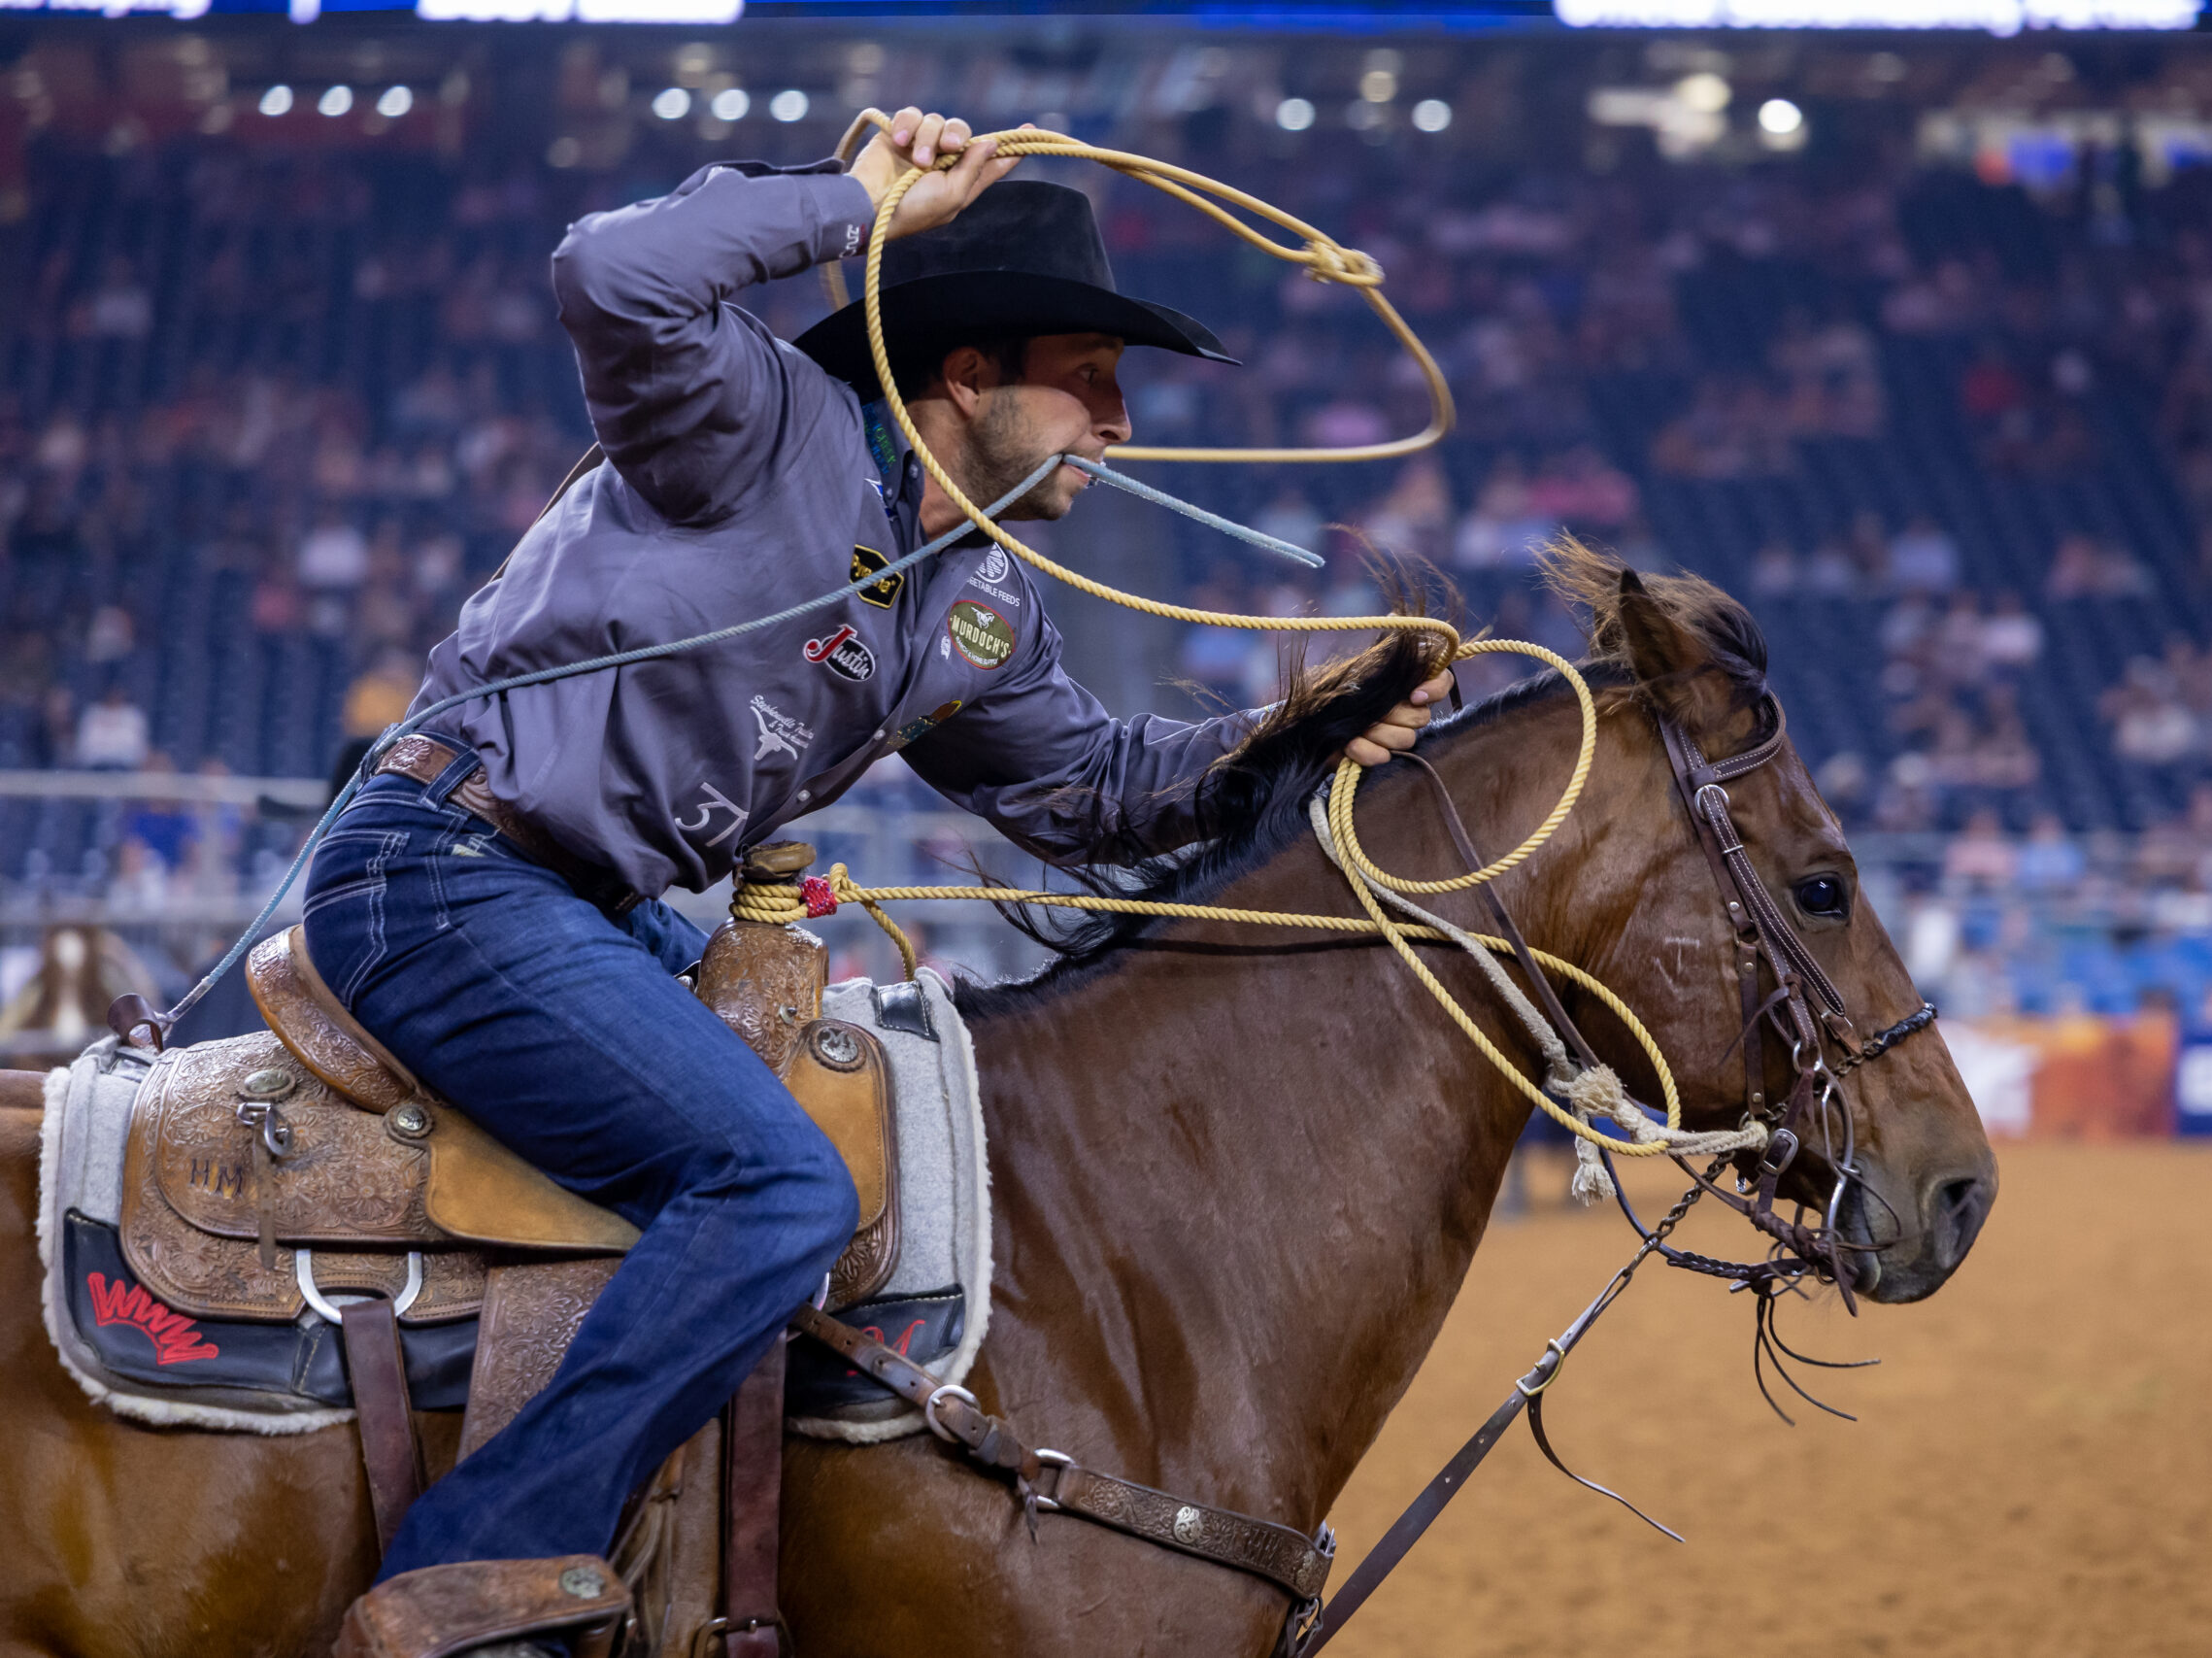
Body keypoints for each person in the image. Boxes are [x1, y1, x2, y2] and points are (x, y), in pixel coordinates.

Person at [306, 110, 1449, 1648]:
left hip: (582, 912)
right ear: (967, 375)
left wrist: (1308, 731)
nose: (1120, 427)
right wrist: (853, 204)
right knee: (780, 1187)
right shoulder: (753, 419)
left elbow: (1098, 798)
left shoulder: (977, 602)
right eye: (1091, 381)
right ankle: (477, 1573)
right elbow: (612, 272)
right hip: (448, 872)